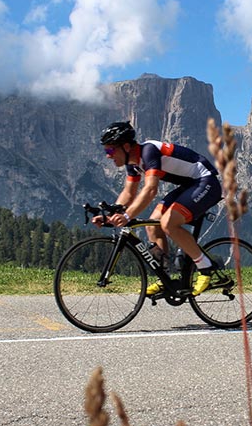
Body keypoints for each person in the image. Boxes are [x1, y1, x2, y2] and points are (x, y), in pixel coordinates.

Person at [95, 121, 222, 295]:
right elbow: (128, 193)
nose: (108, 155)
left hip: (206, 181)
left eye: (110, 150)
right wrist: (110, 215)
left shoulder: (149, 152)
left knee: (168, 222)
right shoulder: (132, 163)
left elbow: (150, 189)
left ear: (125, 146)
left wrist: (126, 216)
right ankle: (165, 278)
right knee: (152, 225)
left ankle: (205, 267)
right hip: (188, 185)